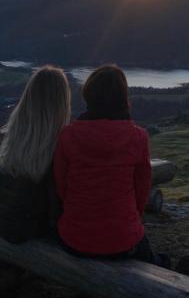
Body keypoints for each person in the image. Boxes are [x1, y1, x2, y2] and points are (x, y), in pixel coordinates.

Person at [53, 64, 158, 262]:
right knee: (155, 261)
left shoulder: (68, 135)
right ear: (123, 98)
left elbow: (62, 187)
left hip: (74, 239)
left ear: (88, 95)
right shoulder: (138, 137)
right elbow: (142, 190)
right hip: (123, 240)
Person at [0, 65, 71, 243]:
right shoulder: (61, 143)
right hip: (28, 228)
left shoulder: (18, 131)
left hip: (0, 221)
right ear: (62, 101)